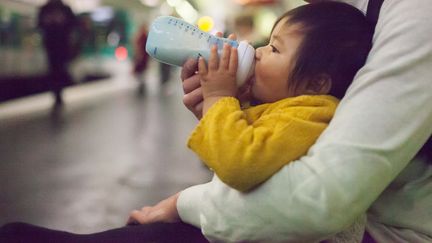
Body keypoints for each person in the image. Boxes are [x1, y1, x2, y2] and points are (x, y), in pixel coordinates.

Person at [1, 0, 431, 242]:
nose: (258, 52)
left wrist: (221, 100)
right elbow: (251, 150)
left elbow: (243, 164)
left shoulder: (313, 111)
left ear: (317, 82)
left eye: (274, 50)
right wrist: (221, 107)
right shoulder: (303, 100)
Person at [186, 1, 373, 194]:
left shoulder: (309, 116)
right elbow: (235, 144)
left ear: (314, 85)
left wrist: (218, 96)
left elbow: (237, 164)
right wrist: (227, 105)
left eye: (274, 49)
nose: (258, 52)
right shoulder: (291, 107)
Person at [38, 0, 77, 105]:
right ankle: (57, 93)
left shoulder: (64, 8)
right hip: (51, 45)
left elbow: (74, 24)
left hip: (62, 44)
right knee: (54, 68)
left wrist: (62, 22)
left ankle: (59, 92)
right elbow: (39, 24)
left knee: (60, 67)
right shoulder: (45, 9)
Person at [132, 24, 150, 94]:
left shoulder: (143, 35)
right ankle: (141, 85)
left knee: (141, 72)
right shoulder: (144, 35)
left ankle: (141, 86)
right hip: (143, 57)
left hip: (142, 57)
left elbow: (139, 46)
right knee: (141, 72)